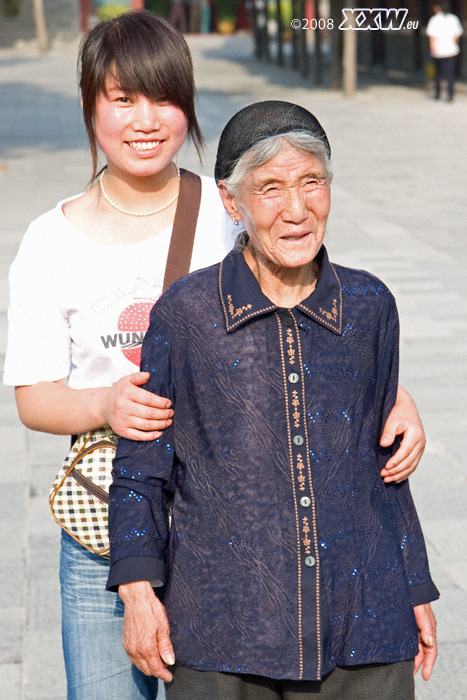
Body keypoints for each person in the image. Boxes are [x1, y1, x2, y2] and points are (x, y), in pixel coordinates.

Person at [107, 101, 439, 700]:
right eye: (270, 188)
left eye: (312, 182)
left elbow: (386, 467)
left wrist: (413, 584)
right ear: (232, 203)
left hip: (363, 625)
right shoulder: (186, 314)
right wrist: (137, 592)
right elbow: (140, 471)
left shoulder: (370, 306)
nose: (296, 209)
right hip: (221, 635)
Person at [3, 11, 238, 700]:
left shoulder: (227, 218)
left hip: (220, 521)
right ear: (89, 107)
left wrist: (386, 393)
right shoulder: (51, 240)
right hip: (103, 531)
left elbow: (306, 326)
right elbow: (34, 397)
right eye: (121, 98)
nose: (146, 119)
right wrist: (105, 402)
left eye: (163, 97)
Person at [427, 2, 463, 101]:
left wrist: (433, 48)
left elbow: (432, 37)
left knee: (438, 73)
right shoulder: (454, 19)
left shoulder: (434, 20)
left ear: (438, 8)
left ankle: (437, 93)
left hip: (438, 51)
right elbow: (457, 35)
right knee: (450, 73)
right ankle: (450, 94)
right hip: (451, 50)